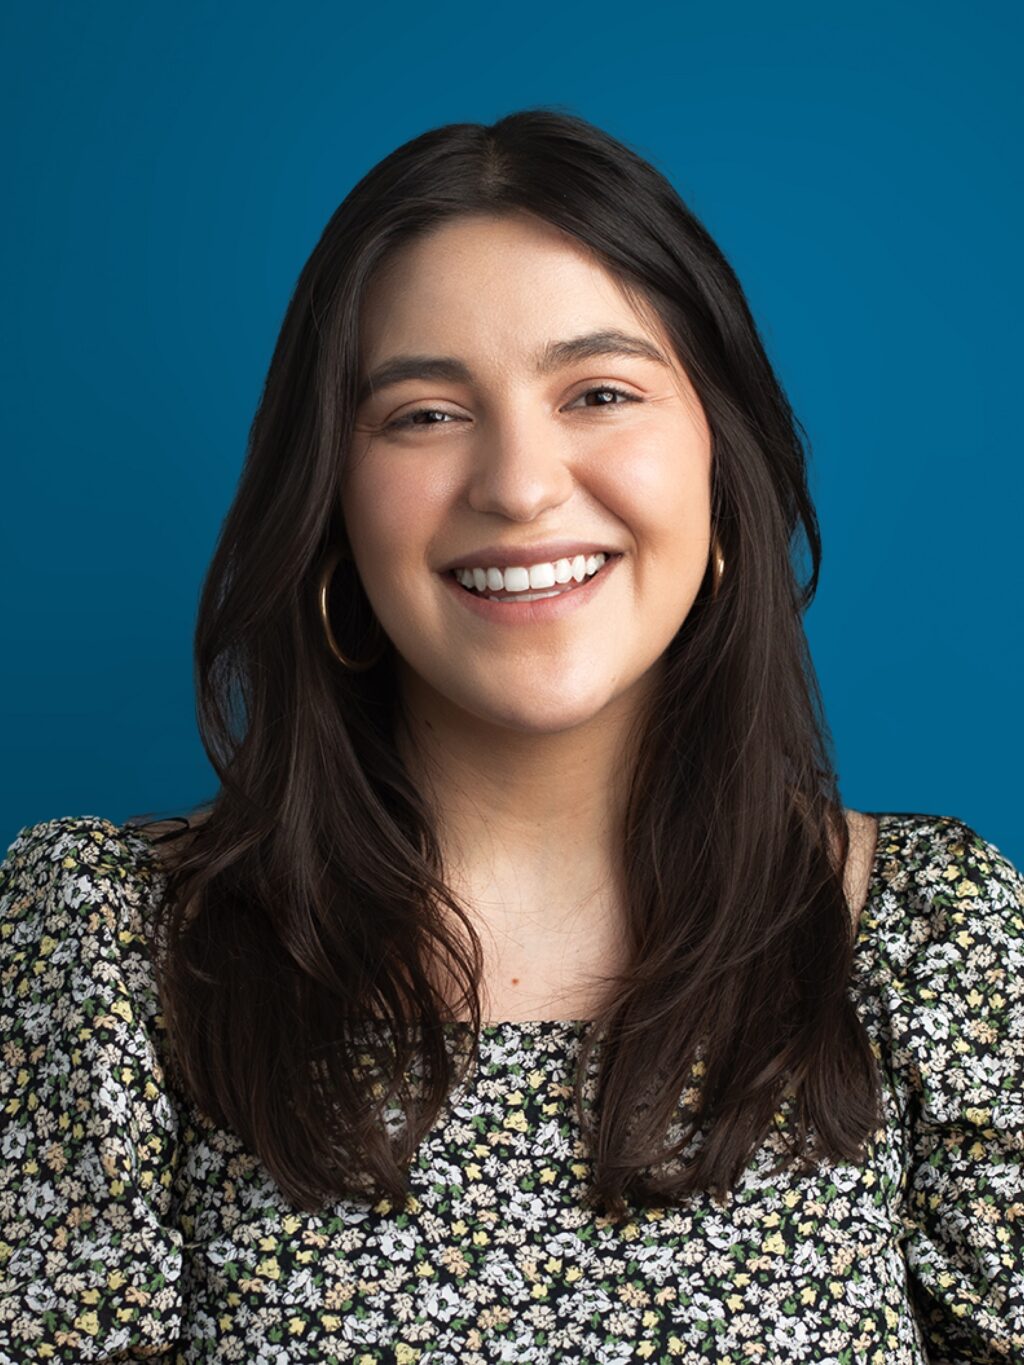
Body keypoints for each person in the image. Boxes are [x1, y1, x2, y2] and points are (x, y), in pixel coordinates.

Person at [1, 108, 1021, 1364]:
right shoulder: (104, 951)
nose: (520, 485)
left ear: (722, 469)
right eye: (426, 414)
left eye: (598, 392)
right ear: (329, 503)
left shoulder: (931, 935)